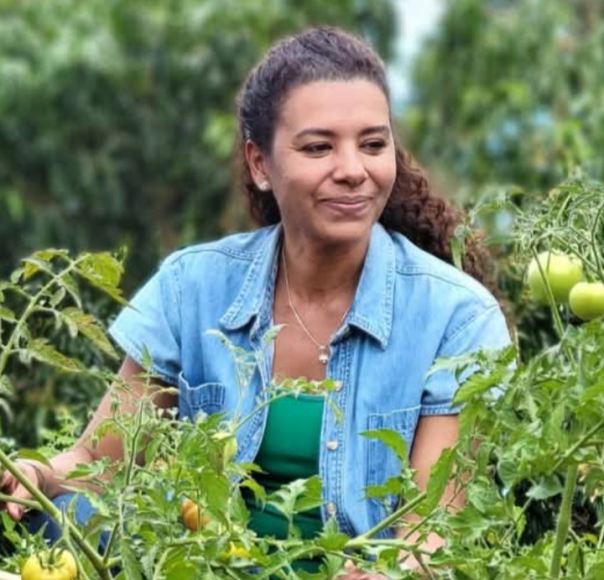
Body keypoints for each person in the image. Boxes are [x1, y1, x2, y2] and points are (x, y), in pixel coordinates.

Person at [1, 25, 511, 576]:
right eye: (318, 147)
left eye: (372, 144)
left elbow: (435, 529)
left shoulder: (456, 316)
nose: (353, 170)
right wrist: (34, 476)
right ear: (260, 163)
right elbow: (98, 465)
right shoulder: (194, 288)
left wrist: (391, 572)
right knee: (55, 520)